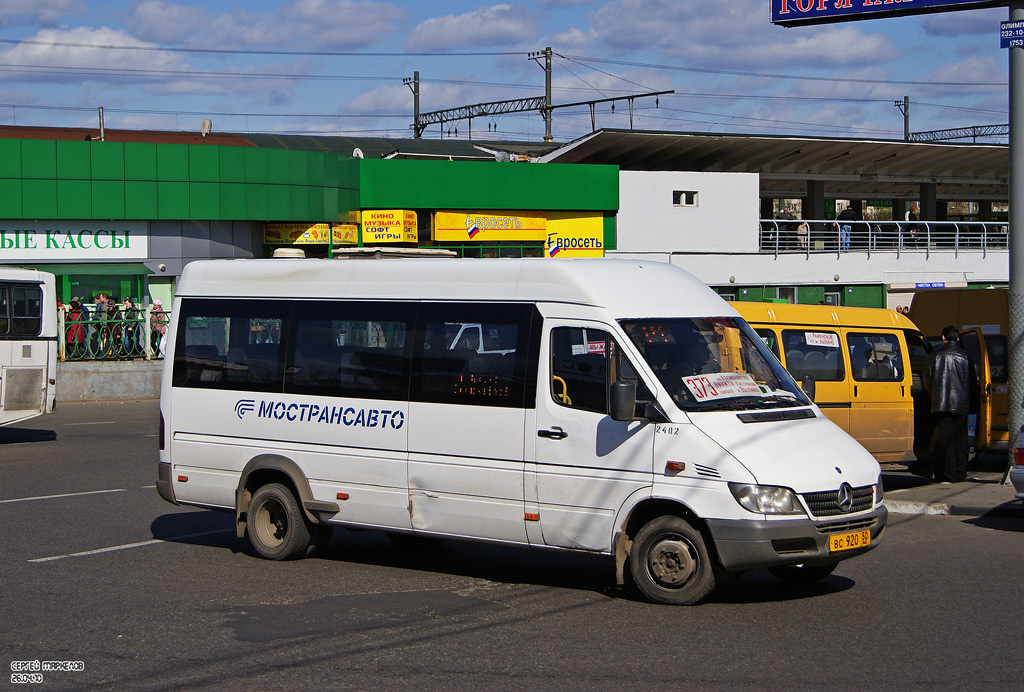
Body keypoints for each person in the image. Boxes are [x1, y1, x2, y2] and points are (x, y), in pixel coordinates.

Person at [919, 325, 971, 483]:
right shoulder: (965, 356)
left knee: (945, 439)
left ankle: (947, 474)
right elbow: (972, 381)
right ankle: (961, 472)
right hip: (961, 403)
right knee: (961, 439)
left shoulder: (934, 355)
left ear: (943, 338)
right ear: (957, 338)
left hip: (941, 403)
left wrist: (934, 395)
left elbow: (926, 379)